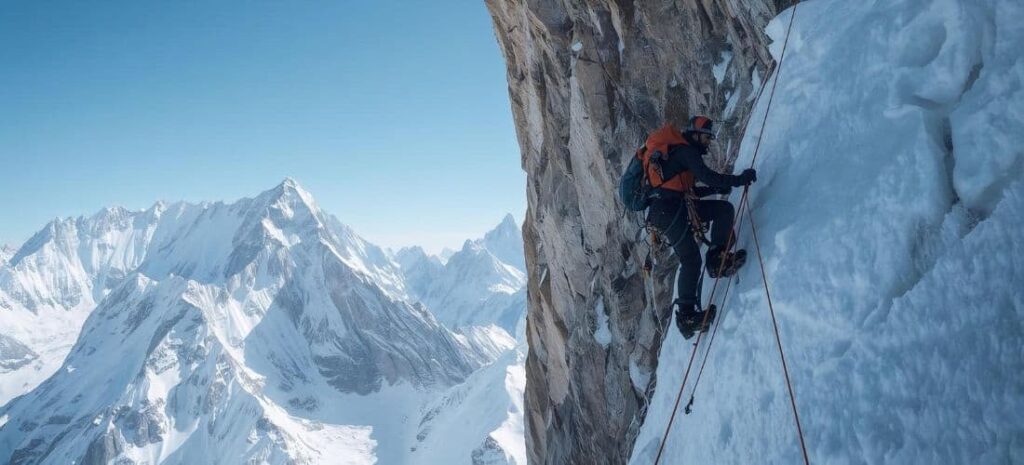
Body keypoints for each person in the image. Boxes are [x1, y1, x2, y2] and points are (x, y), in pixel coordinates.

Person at [645, 116, 756, 338]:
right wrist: (738, 179)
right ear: (694, 134)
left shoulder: (682, 154)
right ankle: (686, 317)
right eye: (706, 137)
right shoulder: (686, 152)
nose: (708, 142)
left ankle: (716, 260)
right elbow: (709, 177)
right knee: (691, 259)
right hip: (669, 212)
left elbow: (694, 189)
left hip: (673, 209)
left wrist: (732, 183)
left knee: (723, 210)